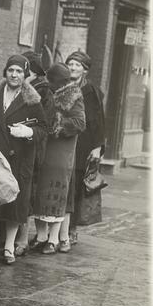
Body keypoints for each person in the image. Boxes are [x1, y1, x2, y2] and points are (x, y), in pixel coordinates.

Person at [0, 54, 47, 265]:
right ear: (5, 72)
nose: (14, 75)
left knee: (15, 203)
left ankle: (8, 246)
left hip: (19, 158)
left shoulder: (32, 100)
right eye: (10, 70)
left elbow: (43, 128)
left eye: (18, 71)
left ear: (25, 75)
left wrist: (28, 131)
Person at [33, 63, 86, 254]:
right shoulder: (45, 91)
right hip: (44, 150)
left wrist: (57, 123)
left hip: (61, 153)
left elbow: (80, 123)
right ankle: (41, 236)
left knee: (56, 193)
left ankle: (53, 239)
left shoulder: (73, 96)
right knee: (41, 192)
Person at [15, 50, 55, 255]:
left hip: (32, 148)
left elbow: (43, 124)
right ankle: (7, 238)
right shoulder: (15, 87)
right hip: (13, 146)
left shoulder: (44, 92)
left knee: (26, 194)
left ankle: (21, 239)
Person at [65, 50, 106, 245]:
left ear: (85, 70)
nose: (72, 67)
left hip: (84, 145)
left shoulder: (92, 91)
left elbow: (99, 122)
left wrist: (98, 147)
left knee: (76, 188)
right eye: (70, 63)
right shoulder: (60, 85)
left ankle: (71, 228)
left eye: (77, 65)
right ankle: (52, 230)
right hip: (62, 142)